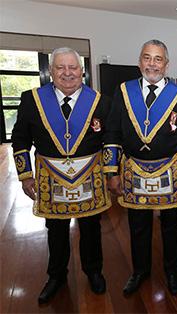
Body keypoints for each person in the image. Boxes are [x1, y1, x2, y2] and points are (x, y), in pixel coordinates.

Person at [11, 47, 111, 304]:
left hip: (90, 177)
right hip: (51, 178)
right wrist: (25, 175)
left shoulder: (100, 100)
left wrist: (112, 174)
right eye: (60, 68)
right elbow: (20, 140)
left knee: (91, 228)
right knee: (55, 229)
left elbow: (111, 140)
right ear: (51, 71)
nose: (67, 73)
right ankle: (56, 276)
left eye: (73, 67)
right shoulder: (32, 99)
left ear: (82, 71)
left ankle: (94, 271)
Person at [104, 39, 177, 296]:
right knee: (138, 226)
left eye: (158, 59)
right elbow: (112, 131)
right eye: (147, 58)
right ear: (139, 62)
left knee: (171, 227)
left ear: (166, 65)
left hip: (171, 169)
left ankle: (171, 271)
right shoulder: (124, 91)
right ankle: (140, 272)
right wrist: (111, 172)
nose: (152, 64)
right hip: (133, 168)